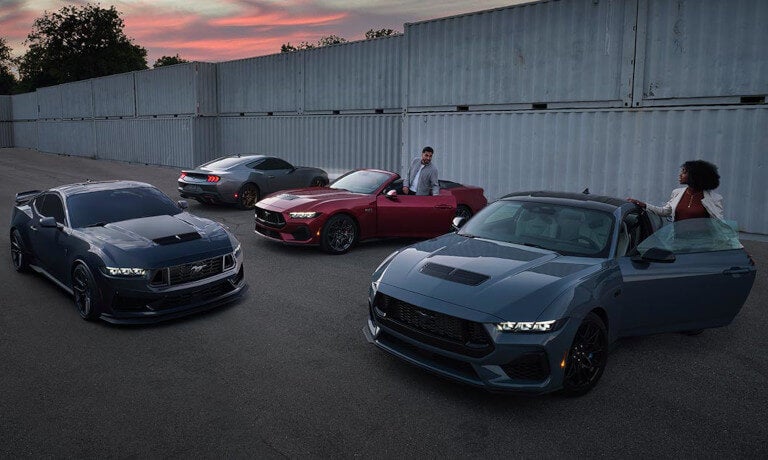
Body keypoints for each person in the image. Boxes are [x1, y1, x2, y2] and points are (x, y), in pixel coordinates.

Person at [627, 160, 723, 221]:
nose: (680, 175)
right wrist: (643, 205)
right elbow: (665, 212)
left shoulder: (714, 198)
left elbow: (719, 223)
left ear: (695, 176)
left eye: (684, 172)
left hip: (701, 244)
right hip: (678, 242)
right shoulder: (677, 193)